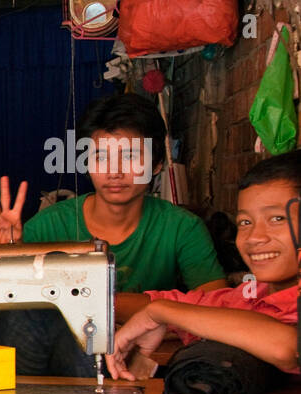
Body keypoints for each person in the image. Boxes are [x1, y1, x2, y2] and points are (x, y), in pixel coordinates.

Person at [0, 93, 226, 376]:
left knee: (92, 337)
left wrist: (90, 306)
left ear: (157, 164)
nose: (114, 172)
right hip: (47, 362)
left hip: (128, 361)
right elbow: (16, 314)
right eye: (101, 157)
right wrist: (10, 254)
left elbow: (217, 310)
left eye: (131, 157)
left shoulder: (182, 228)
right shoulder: (49, 225)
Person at [108, 151, 300, 379]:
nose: (254, 237)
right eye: (245, 222)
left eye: (277, 219)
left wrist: (158, 313)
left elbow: (287, 347)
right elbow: (181, 304)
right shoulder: (248, 297)